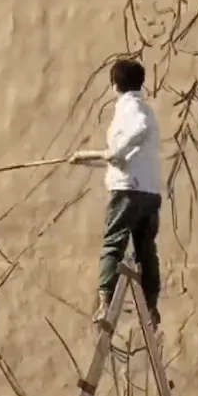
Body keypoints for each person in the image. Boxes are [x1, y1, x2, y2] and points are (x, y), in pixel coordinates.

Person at [68, 59, 163, 329]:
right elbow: (120, 159)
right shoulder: (145, 109)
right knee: (146, 250)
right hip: (148, 190)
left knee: (113, 244)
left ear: (114, 85)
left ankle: (105, 304)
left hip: (128, 191)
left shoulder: (131, 109)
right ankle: (151, 307)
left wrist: (115, 152)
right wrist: (86, 158)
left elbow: (135, 136)